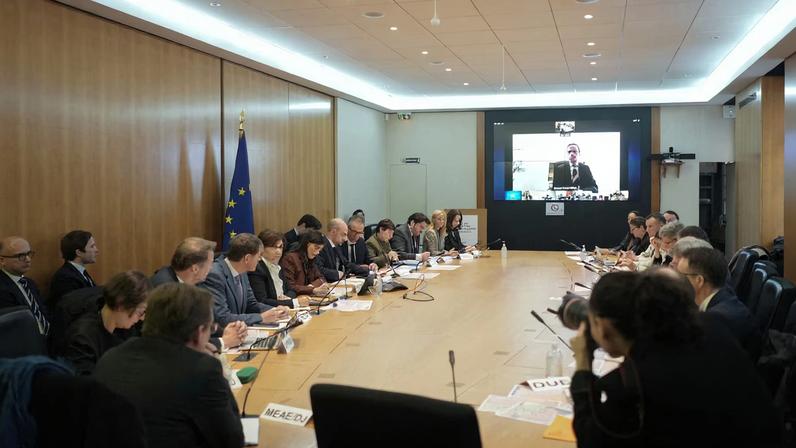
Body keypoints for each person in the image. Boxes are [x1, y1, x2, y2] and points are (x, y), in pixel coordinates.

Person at [569, 269, 781, 447]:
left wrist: (582, 365)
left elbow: (590, 440)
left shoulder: (633, 383)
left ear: (604, 327)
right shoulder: (711, 325)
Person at [94, 283, 244, 448]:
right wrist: (218, 366)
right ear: (200, 331)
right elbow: (232, 440)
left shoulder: (110, 357)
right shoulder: (202, 370)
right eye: (211, 328)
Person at [151, 237, 247, 350]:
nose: (212, 268)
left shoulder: (190, 282)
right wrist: (222, 342)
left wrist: (223, 330)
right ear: (195, 269)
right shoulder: (166, 290)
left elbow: (196, 323)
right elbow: (178, 340)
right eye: (210, 263)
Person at [675, 247, 760, 358]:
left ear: (699, 280)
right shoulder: (723, 295)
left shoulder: (718, 320)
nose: (676, 280)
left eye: (681, 276)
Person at [63, 270, 149, 375]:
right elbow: (86, 384)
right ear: (121, 304)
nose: (142, 318)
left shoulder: (126, 329)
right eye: (140, 312)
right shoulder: (82, 338)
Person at [199, 233, 289, 327]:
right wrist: (261, 317)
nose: (259, 259)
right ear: (247, 258)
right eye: (258, 256)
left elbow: (251, 304)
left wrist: (275, 310)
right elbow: (222, 317)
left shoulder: (242, 271)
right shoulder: (215, 275)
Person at [0, 236, 49, 336]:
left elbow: (44, 313)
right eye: (21, 256)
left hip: (48, 338)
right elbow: (14, 327)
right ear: (2, 260)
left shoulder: (29, 283)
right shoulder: (2, 288)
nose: (28, 259)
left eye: (29, 254)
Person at [249, 229, 309, 308]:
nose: (278, 251)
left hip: (284, 309)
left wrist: (287, 298)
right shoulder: (257, 268)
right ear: (261, 249)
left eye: (280, 247)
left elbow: (291, 290)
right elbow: (261, 301)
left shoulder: (278, 266)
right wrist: (293, 302)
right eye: (274, 247)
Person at [49, 230, 99, 305]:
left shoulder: (81, 273)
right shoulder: (65, 278)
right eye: (92, 246)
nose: (96, 250)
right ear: (79, 252)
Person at [280, 230, 331, 296]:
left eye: (320, 250)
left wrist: (312, 286)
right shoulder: (290, 258)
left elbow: (321, 278)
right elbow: (290, 286)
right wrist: (312, 289)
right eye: (316, 248)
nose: (318, 252)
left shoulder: (311, 259)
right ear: (307, 244)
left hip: (307, 296)